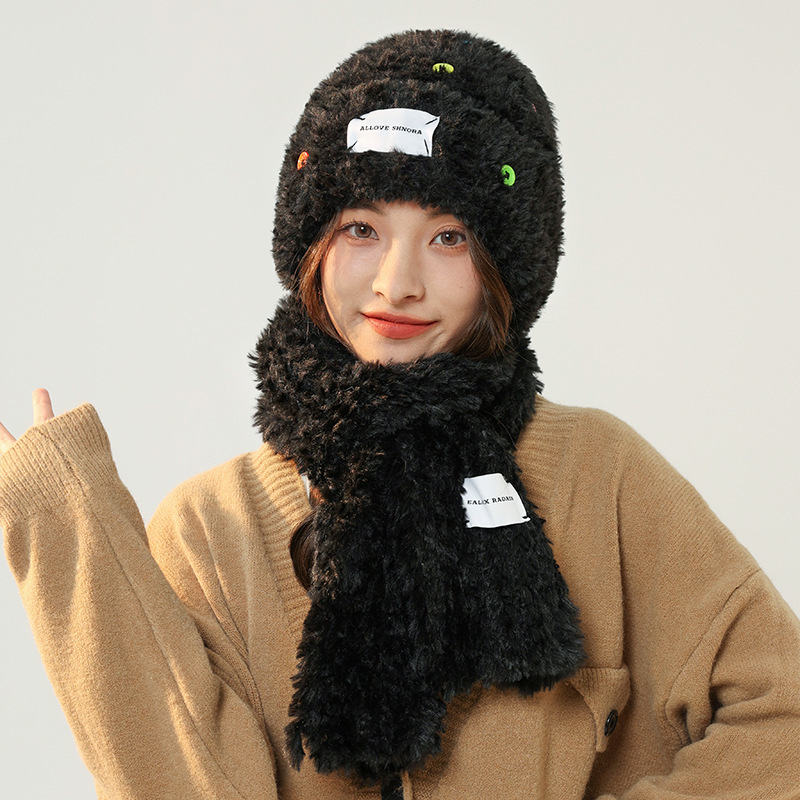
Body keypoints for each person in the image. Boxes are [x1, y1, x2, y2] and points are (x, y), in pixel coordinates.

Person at [1, 29, 799, 800]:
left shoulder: (600, 476)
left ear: (504, 266)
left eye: (448, 237)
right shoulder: (211, 529)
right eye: (361, 229)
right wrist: (73, 541)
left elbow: (784, 718)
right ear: (312, 244)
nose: (396, 283)